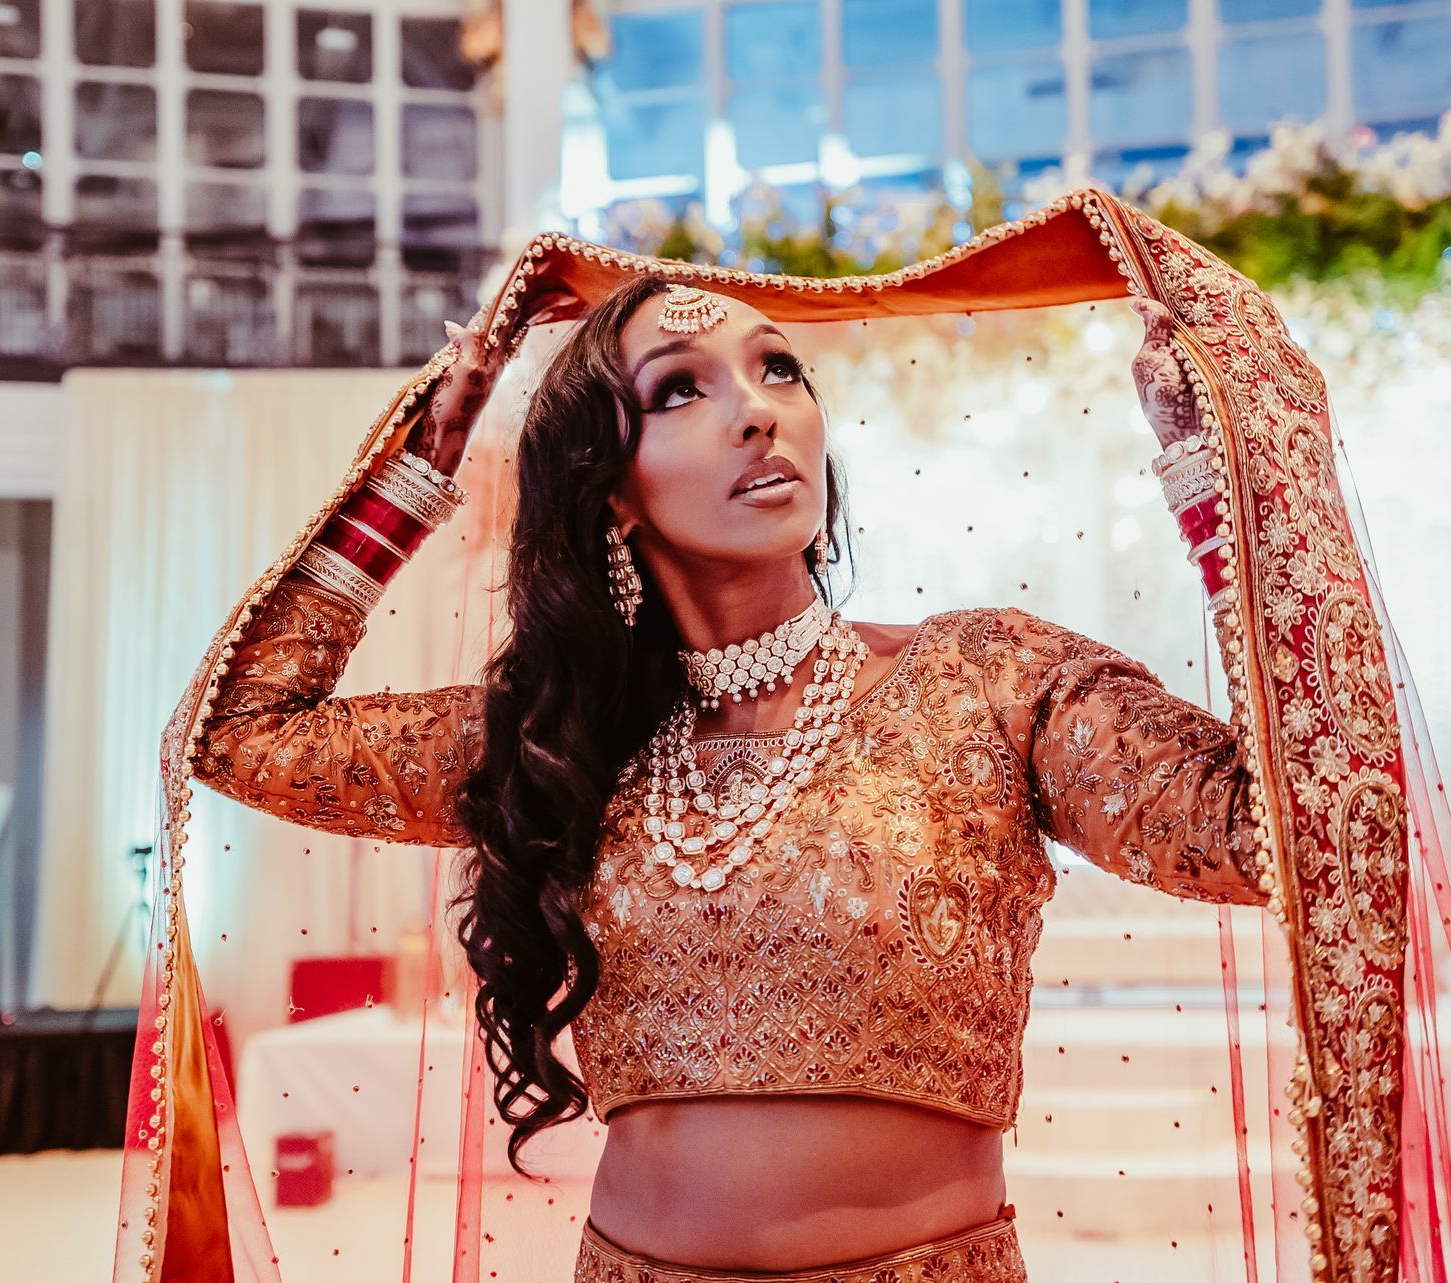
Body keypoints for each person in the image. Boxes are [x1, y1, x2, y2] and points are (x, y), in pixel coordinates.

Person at [186, 274, 1268, 1280]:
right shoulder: (563, 740)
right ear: (607, 488)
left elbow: (1273, 831)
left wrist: (1220, 496)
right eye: (680, 390)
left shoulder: (990, 679)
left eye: (779, 369)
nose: (756, 411)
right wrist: (415, 468)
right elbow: (238, 733)